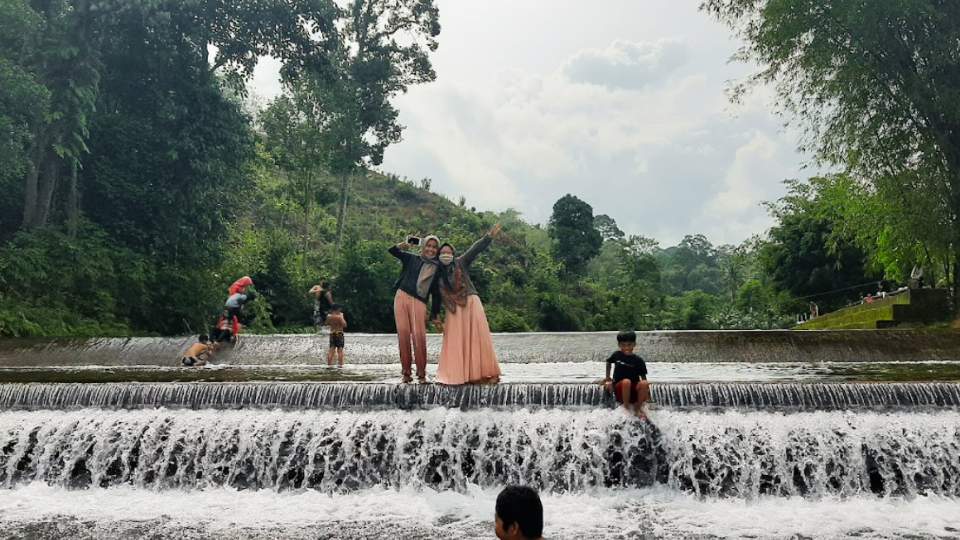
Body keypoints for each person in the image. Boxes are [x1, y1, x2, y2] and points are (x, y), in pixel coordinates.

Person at [435, 224, 503, 385]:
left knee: (479, 339)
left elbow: (475, 249)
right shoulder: (436, 274)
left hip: (471, 301)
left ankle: (486, 373)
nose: (446, 255)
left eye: (448, 252)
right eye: (443, 253)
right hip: (453, 309)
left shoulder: (460, 263)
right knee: (455, 343)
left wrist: (489, 236)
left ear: (453, 254)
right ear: (438, 256)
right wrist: (435, 316)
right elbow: (435, 296)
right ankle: (458, 375)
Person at [389, 235, 443, 383]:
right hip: (401, 297)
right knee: (403, 336)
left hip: (419, 301)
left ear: (437, 250)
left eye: (434, 247)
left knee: (419, 337)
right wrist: (402, 245)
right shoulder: (412, 258)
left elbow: (436, 294)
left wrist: (435, 314)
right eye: (428, 245)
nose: (430, 249)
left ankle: (421, 374)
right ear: (423, 246)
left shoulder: (437, 268)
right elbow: (392, 250)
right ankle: (406, 373)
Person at [602, 330, 650, 416]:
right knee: (626, 382)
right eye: (623, 345)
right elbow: (608, 362)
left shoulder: (639, 360)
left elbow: (644, 378)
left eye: (629, 345)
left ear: (634, 344)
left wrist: (649, 397)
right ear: (619, 345)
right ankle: (626, 407)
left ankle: (638, 407)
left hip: (634, 390)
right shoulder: (617, 355)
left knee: (644, 383)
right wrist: (607, 378)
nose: (626, 348)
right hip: (620, 390)